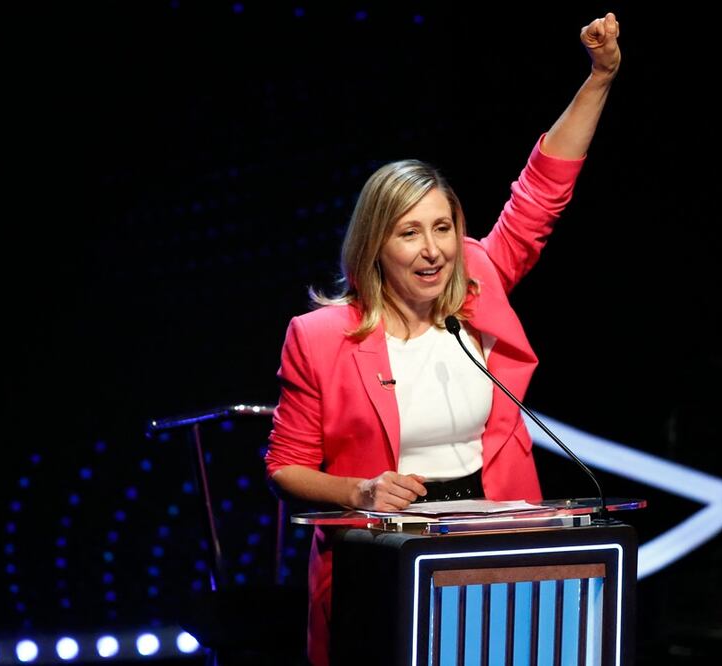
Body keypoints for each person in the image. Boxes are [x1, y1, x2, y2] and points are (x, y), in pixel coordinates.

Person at [265, 12, 621, 665]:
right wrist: (360, 492)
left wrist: (598, 78)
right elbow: (284, 467)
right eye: (409, 233)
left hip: (496, 547)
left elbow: (542, 192)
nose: (433, 252)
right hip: (381, 555)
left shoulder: (481, 277)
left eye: (443, 228)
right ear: (375, 243)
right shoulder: (319, 336)